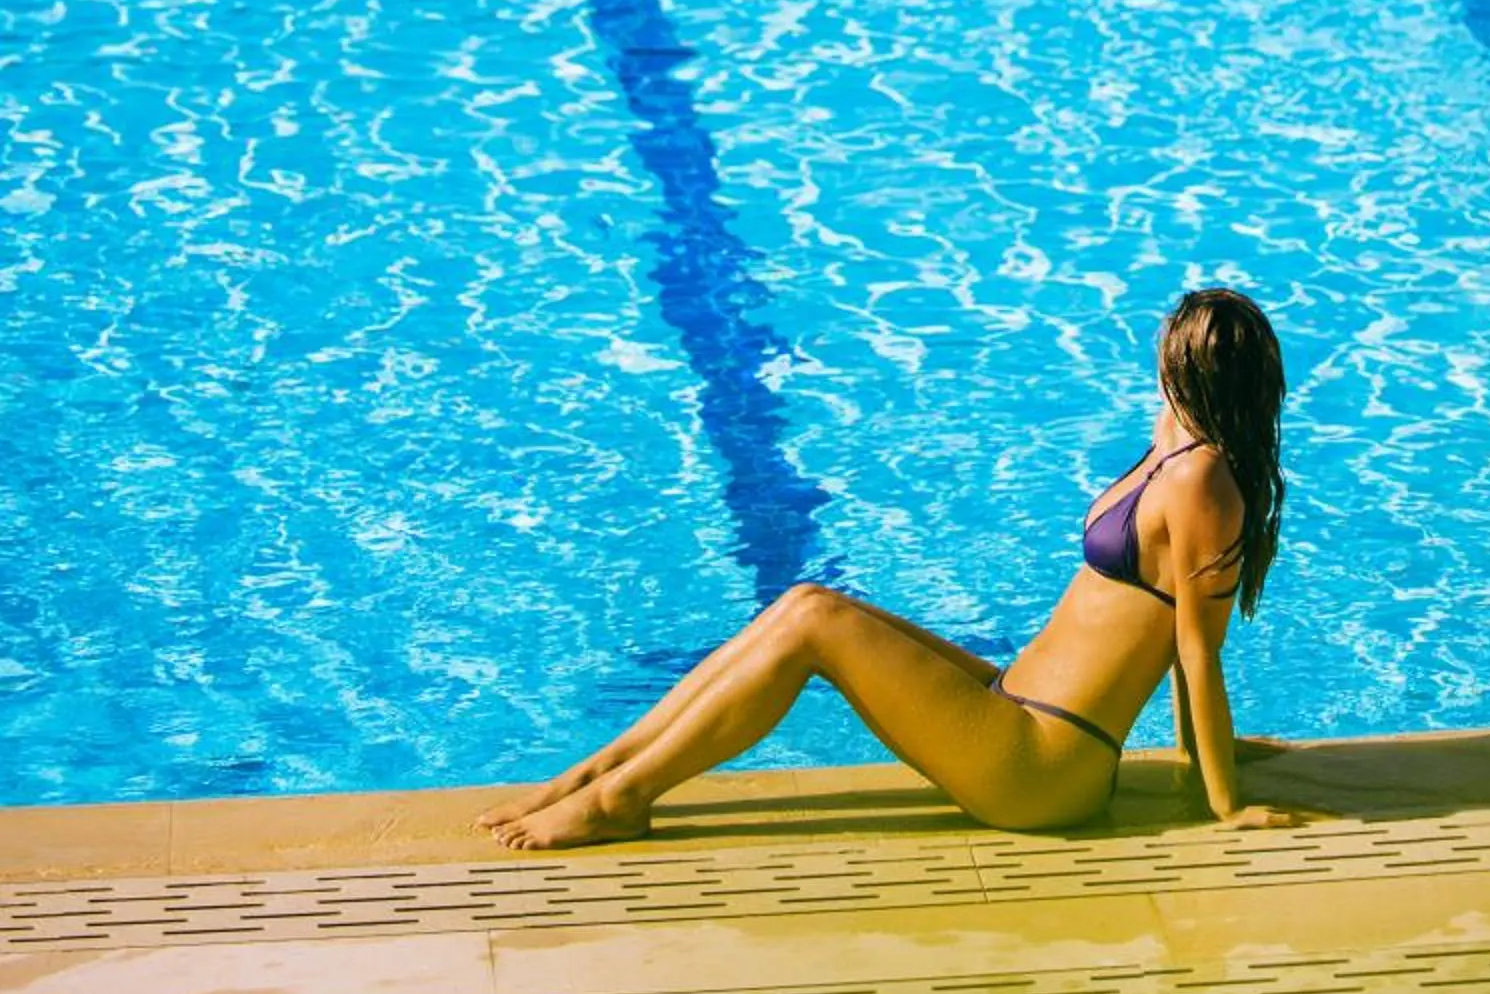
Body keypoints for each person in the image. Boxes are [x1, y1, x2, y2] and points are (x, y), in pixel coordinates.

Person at [479, 286, 1297, 852]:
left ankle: (621, 801)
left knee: (814, 625)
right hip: (1011, 703)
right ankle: (597, 772)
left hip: (1041, 765)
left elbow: (1196, 649)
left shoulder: (1201, 480)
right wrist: (1210, 755)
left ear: (1190, 370)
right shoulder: (1173, 439)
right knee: (805, 599)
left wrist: (1222, 801)